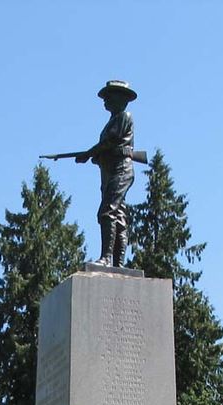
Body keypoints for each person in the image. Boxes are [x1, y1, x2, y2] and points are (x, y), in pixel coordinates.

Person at [76, 80, 138, 267]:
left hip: (121, 169)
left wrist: (89, 153)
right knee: (118, 213)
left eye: (109, 97)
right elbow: (108, 148)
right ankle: (118, 263)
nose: (105, 101)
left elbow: (109, 142)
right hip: (111, 170)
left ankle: (107, 258)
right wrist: (96, 157)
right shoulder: (114, 120)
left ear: (121, 99)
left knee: (108, 211)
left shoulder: (124, 117)